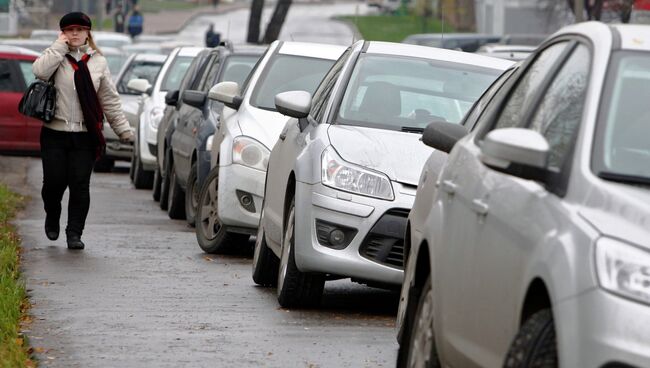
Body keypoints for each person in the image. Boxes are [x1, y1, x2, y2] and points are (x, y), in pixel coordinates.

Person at [32, 12, 133, 250]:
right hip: (54, 133)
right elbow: (39, 72)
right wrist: (58, 46)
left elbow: (109, 99)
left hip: (85, 135)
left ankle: (74, 233)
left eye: (79, 29)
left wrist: (123, 131)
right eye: (69, 30)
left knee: (80, 185)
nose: (75, 33)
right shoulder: (55, 55)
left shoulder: (98, 61)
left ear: (88, 32)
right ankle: (52, 215)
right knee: (54, 183)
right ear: (63, 33)